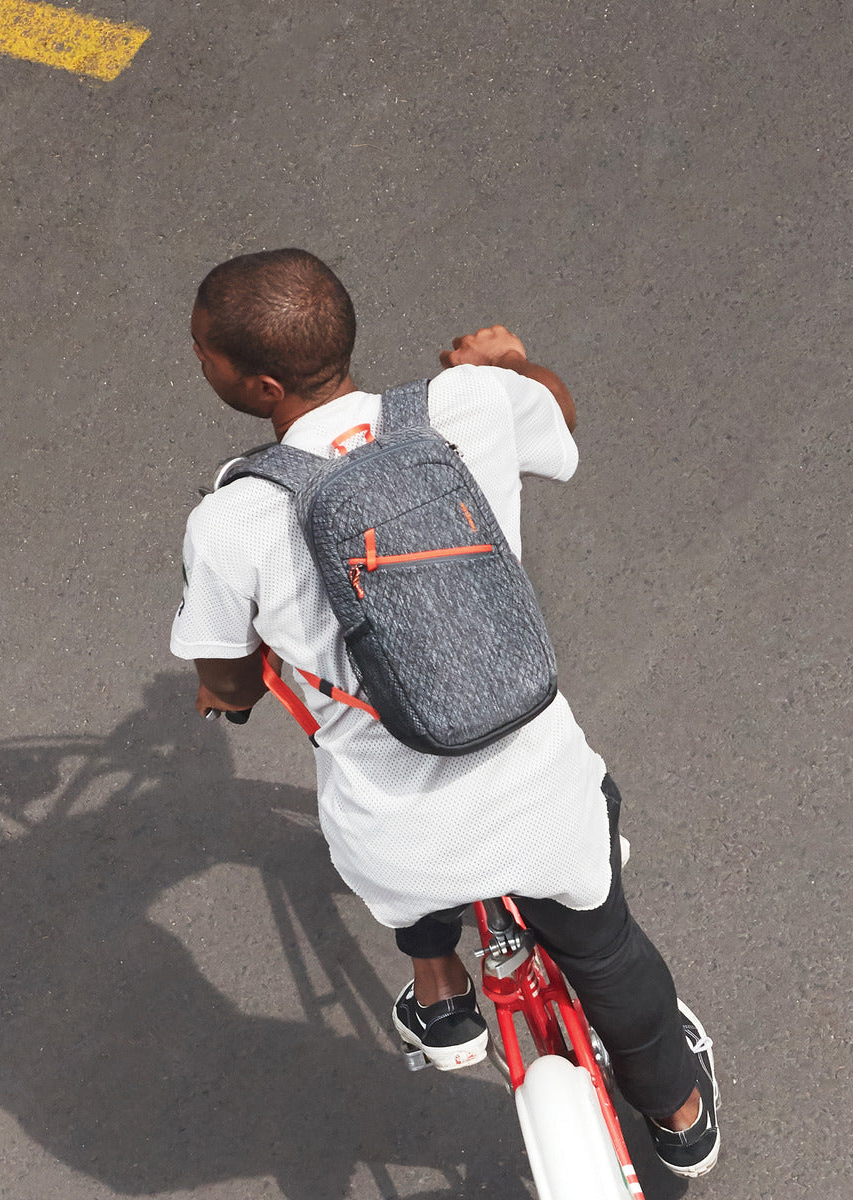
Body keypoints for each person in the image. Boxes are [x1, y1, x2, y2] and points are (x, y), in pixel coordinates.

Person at [169, 248, 720, 1178]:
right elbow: (563, 425)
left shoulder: (233, 520)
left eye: (203, 355)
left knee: (378, 801)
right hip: (542, 800)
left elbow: (225, 673)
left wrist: (227, 697)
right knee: (604, 940)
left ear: (256, 384)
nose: (201, 366)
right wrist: (510, 364)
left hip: (398, 850)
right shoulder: (465, 405)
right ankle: (681, 1115)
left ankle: (440, 989)